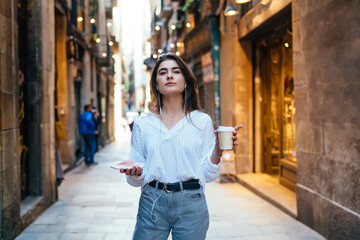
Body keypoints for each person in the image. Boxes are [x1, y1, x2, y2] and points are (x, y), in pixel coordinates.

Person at [118, 53, 242, 240]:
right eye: (163, 72)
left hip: (192, 201)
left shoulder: (202, 121)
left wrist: (218, 150)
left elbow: (208, 175)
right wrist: (134, 172)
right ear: (156, 84)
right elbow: (136, 180)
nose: (169, 76)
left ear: (186, 81)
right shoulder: (143, 124)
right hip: (152, 201)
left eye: (176, 71)